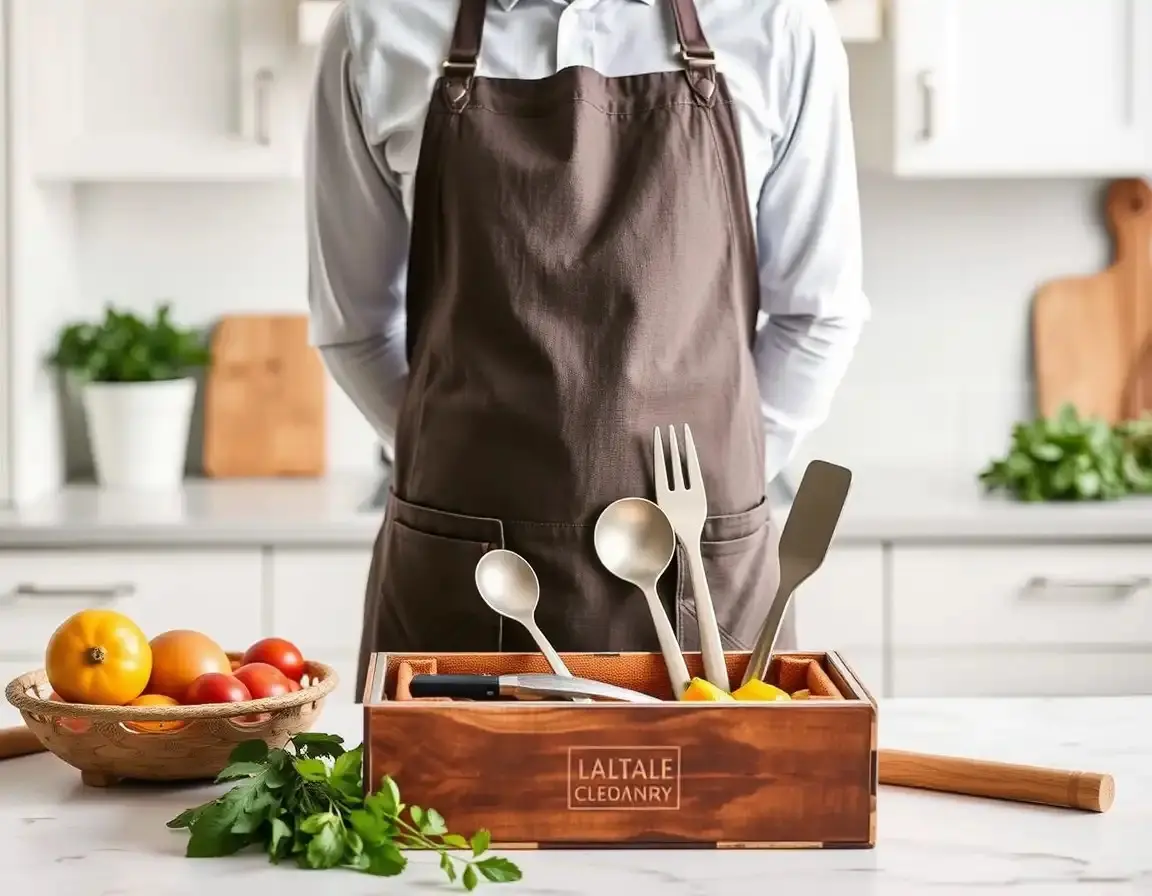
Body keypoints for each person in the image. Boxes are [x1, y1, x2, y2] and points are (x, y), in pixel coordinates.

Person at [305, 0, 870, 698]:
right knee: (427, 809)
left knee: (718, 806)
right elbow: (354, 325)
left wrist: (722, 483)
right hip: (466, 576)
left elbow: (817, 317)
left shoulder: (776, 21)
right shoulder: (379, 24)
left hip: (698, 566)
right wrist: (454, 465)